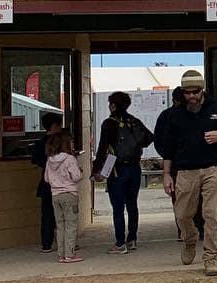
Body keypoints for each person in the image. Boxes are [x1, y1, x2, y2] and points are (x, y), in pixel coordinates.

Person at [161, 70, 217, 276]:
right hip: (185, 171)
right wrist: (166, 174)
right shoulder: (175, 115)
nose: (191, 96)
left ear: (202, 90)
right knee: (182, 214)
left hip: (213, 168)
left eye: (195, 92)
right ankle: (190, 240)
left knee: (212, 213)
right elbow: (168, 147)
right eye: (187, 93)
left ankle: (211, 257)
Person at [93, 91, 154, 253]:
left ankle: (120, 243)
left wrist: (96, 170)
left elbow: (102, 148)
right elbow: (149, 138)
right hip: (134, 167)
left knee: (118, 207)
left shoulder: (109, 123)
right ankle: (132, 239)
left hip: (116, 169)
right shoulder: (134, 121)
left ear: (113, 105)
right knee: (132, 205)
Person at [155, 87, 205, 242]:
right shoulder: (169, 116)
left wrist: (167, 156)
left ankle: (188, 230)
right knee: (188, 198)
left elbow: (158, 141)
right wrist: (169, 157)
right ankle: (190, 229)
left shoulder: (193, 113)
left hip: (183, 163)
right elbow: (160, 140)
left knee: (183, 198)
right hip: (180, 164)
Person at [46, 128, 84, 263]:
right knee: (71, 224)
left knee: (60, 224)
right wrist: (80, 171)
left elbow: (46, 178)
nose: (72, 144)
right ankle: (70, 254)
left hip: (55, 195)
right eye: (71, 142)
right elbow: (76, 176)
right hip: (69, 194)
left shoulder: (50, 159)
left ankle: (61, 254)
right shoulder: (69, 159)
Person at [30, 113, 64, 252]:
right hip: (62, 185)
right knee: (63, 215)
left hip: (46, 183)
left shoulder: (39, 144)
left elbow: (38, 165)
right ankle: (66, 243)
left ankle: (46, 243)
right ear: (54, 126)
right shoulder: (62, 142)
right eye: (59, 125)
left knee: (47, 214)